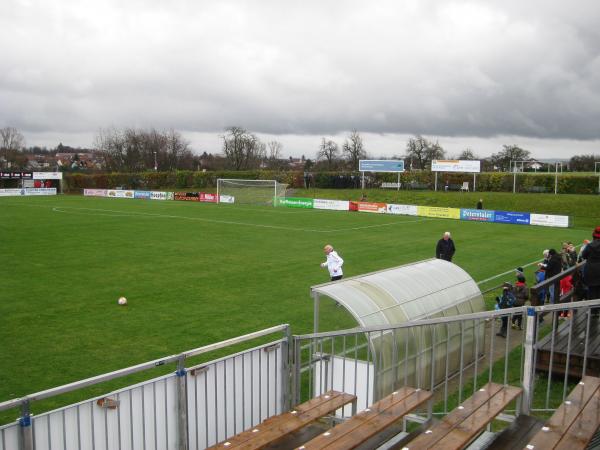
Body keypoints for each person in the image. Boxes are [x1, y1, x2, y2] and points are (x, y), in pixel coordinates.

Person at [581, 226, 600, 301]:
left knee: (591, 292)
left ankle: (592, 311)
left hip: (591, 271)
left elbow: (584, 255)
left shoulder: (590, 246)